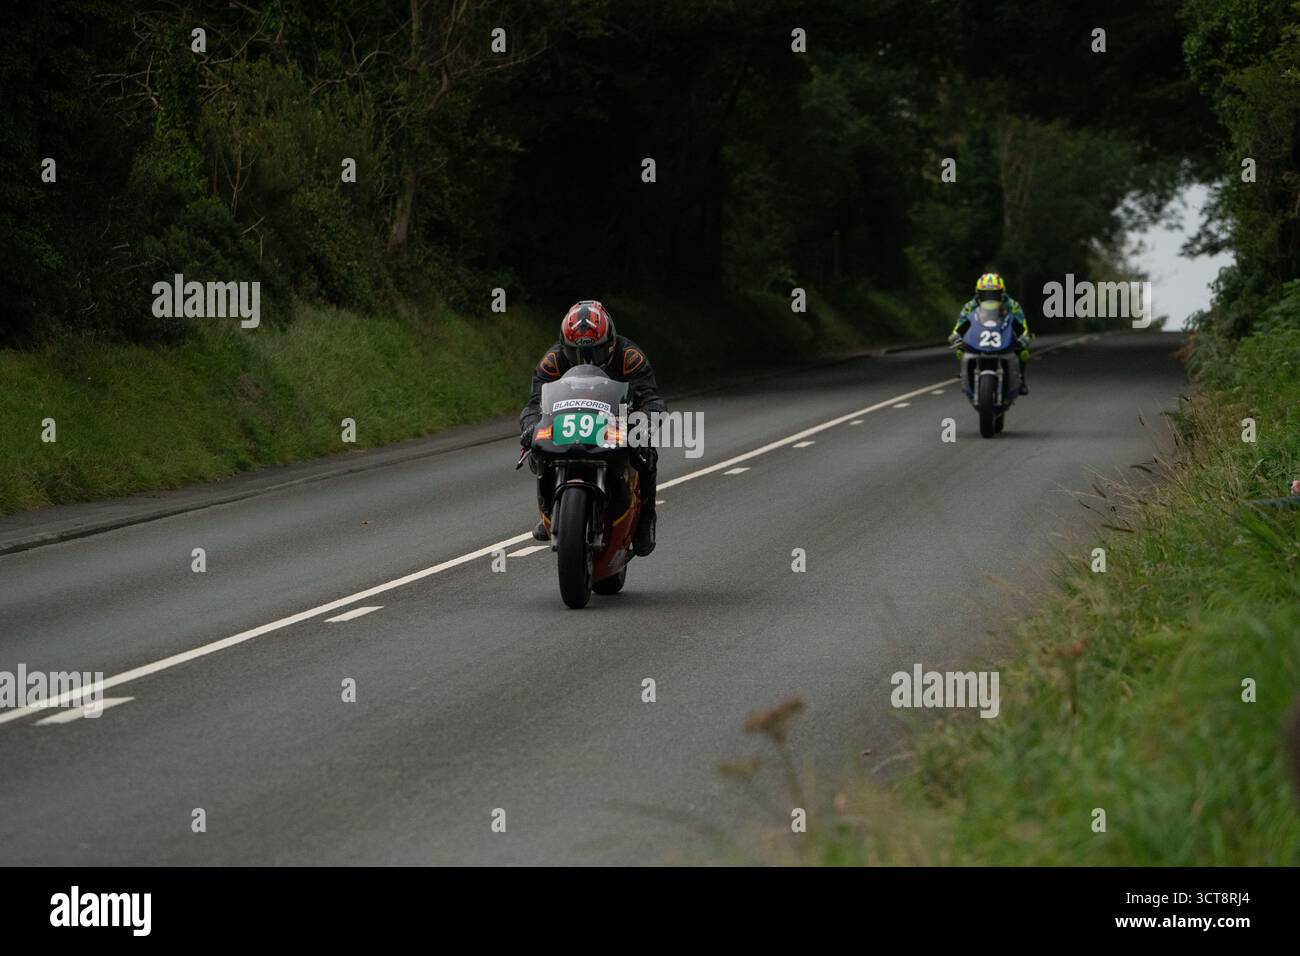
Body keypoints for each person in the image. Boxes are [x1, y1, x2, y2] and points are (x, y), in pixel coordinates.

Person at [519, 300, 665, 555]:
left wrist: (643, 423)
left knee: (646, 452)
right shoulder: (552, 360)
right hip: (567, 418)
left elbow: (651, 399)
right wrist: (531, 426)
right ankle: (549, 512)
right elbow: (534, 403)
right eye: (575, 353)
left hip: (616, 419)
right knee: (534, 447)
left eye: (595, 353)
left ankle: (646, 517)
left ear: (610, 342)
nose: (585, 359)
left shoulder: (630, 356)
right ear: (565, 347)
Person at [949, 272, 1031, 394]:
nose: (990, 298)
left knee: (1023, 351)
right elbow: (961, 322)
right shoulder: (970, 306)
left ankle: (1021, 379)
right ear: (978, 294)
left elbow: (1021, 322)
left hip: (1003, 333)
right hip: (979, 334)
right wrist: (955, 334)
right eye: (985, 294)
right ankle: (967, 374)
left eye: (994, 294)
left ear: (1002, 293)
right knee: (960, 350)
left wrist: (1024, 336)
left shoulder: (1012, 305)